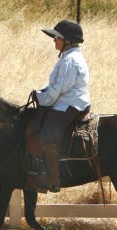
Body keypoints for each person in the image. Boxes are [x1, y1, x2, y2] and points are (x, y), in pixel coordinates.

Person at [27, 19, 90, 193]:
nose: (54, 40)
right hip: (65, 102)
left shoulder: (70, 61)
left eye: (57, 38)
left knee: (48, 131)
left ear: (67, 40)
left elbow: (58, 90)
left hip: (71, 105)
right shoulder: (67, 58)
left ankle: (52, 178)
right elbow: (55, 88)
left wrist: (41, 98)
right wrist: (41, 94)